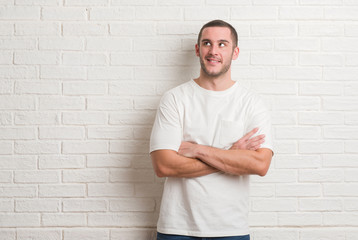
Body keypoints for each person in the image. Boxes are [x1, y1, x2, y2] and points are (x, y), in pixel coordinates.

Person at [149, 19, 274, 240]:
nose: (213, 51)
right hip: (177, 228)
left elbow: (260, 164)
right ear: (198, 49)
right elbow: (163, 165)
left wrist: (199, 150)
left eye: (222, 44)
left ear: (235, 52)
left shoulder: (252, 103)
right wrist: (233, 156)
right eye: (207, 43)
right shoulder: (175, 99)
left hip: (231, 228)